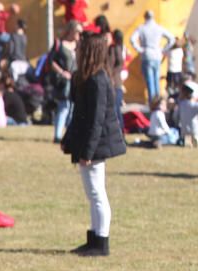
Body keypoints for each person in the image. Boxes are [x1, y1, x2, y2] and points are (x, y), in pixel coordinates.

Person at [61, 33, 125, 257]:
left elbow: (97, 120)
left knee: (97, 193)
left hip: (96, 145)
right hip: (87, 142)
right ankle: (94, 237)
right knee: (92, 193)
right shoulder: (85, 78)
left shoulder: (99, 79)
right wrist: (68, 139)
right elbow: (78, 114)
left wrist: (87, 152)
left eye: (80, 48)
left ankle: (101, 242)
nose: (77, 51)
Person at [130, 11, 175, 103]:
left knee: (150, 81)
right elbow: (172, 39)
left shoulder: (141, 28)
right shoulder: (158, 28)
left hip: (147, 55)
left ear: (145, 17)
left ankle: (153, 103)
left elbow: (132, 39)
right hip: (157, 55)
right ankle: (158, 102)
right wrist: (163, 49)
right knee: (156, 80)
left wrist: (139, 49)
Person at [51, 21, 81, 143]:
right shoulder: (60, 44)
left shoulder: (79, 45)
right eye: (77, 31)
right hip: (64, 82)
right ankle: (58, 135)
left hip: (76, 80)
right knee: (64, 107)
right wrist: (62, 72)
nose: (79, 34)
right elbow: (51, 61)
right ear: (71, 31)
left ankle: (70, 134)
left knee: (73, 108)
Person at [178, 80, 198, 147]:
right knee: (195, 137)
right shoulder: (194, 105)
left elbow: (176, 116)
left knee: (187, 141)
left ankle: (187, 143)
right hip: (194, 128)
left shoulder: (181, 104)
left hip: (184, 129)